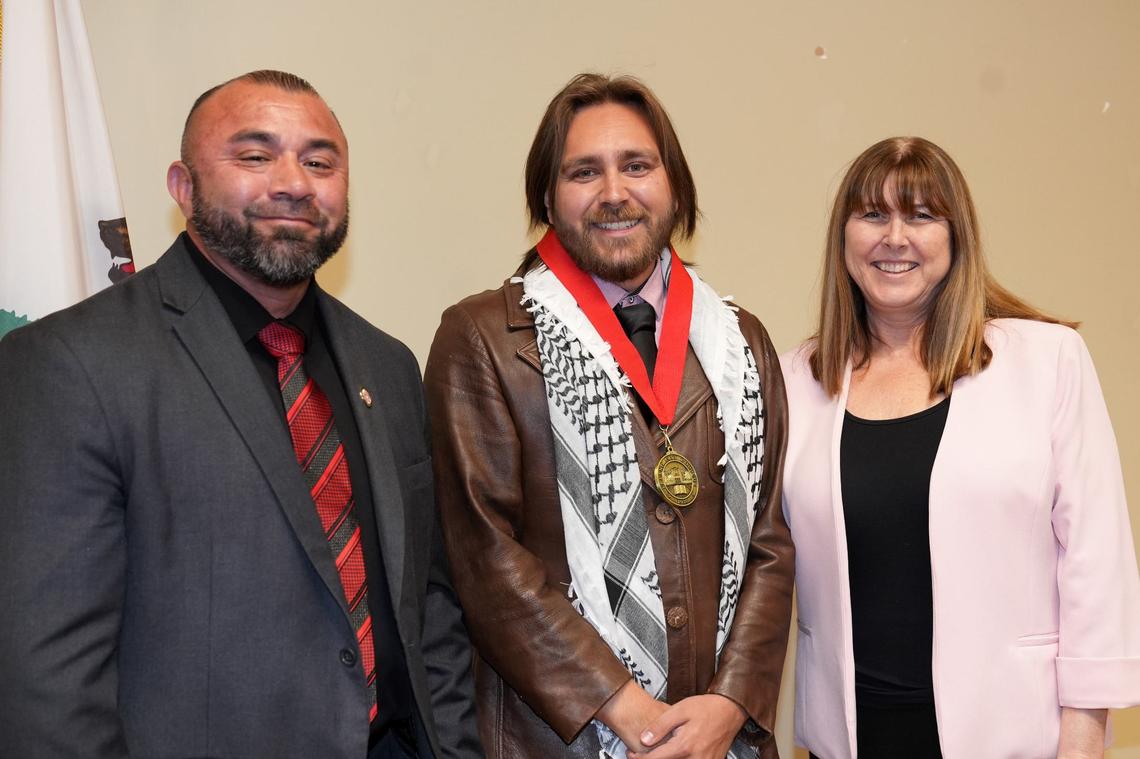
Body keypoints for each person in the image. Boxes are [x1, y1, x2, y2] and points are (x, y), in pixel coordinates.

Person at [0, 70, 481, 759]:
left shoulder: (389, 365)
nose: (293, 181)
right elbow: (47, 679)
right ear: (182, 186)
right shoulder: (71, 364)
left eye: (320, 161)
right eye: (255, 156)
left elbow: (429, 609)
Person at [424, 73, 794, 759]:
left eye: (637, 165)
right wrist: (624, 707)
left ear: (674, 186)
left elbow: (770, 541)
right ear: (548, 196)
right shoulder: (483, 338)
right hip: (558, 740)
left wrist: (728, 703)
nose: (614, 192)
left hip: (723, 743)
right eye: (583, 172)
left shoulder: (741, 342)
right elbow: (484, 554)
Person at [781, 136, 1140, 758]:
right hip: (849, 738)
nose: (895, 237)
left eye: (921, 215)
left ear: (956, 238)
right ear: (843, 240)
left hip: (1013, 735)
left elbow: (1096, 562)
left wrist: (1084, 745)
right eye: (873, 214)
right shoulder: (793, 380)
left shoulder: (1046, 361)